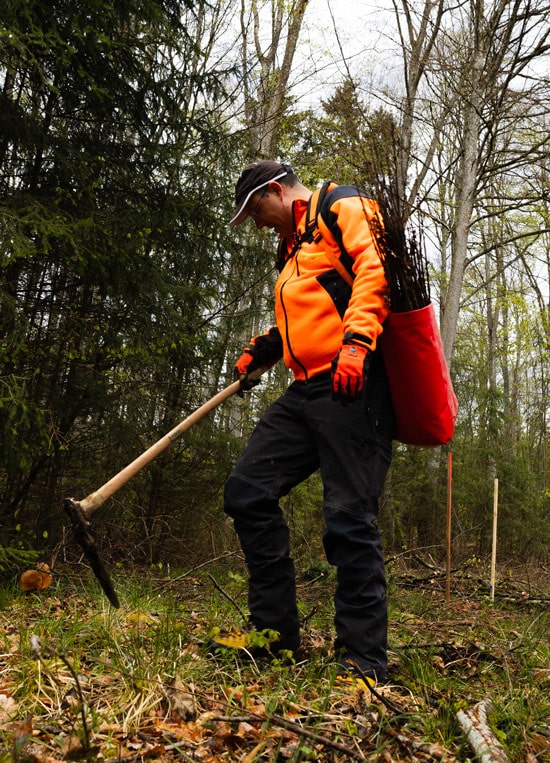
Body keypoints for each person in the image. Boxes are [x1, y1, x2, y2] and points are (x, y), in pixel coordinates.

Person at [213, 160, 395, 686]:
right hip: (306, 387)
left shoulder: (342, 204)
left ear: (274, 191)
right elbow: (309, 312)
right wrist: (264, 349)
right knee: (247, 490)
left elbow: (375, 267)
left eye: (256, 211)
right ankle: (274, 639)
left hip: (355, 378)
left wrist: (358, 344)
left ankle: (362, 661)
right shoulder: (293, 247)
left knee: (348, 517)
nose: (257, 223)